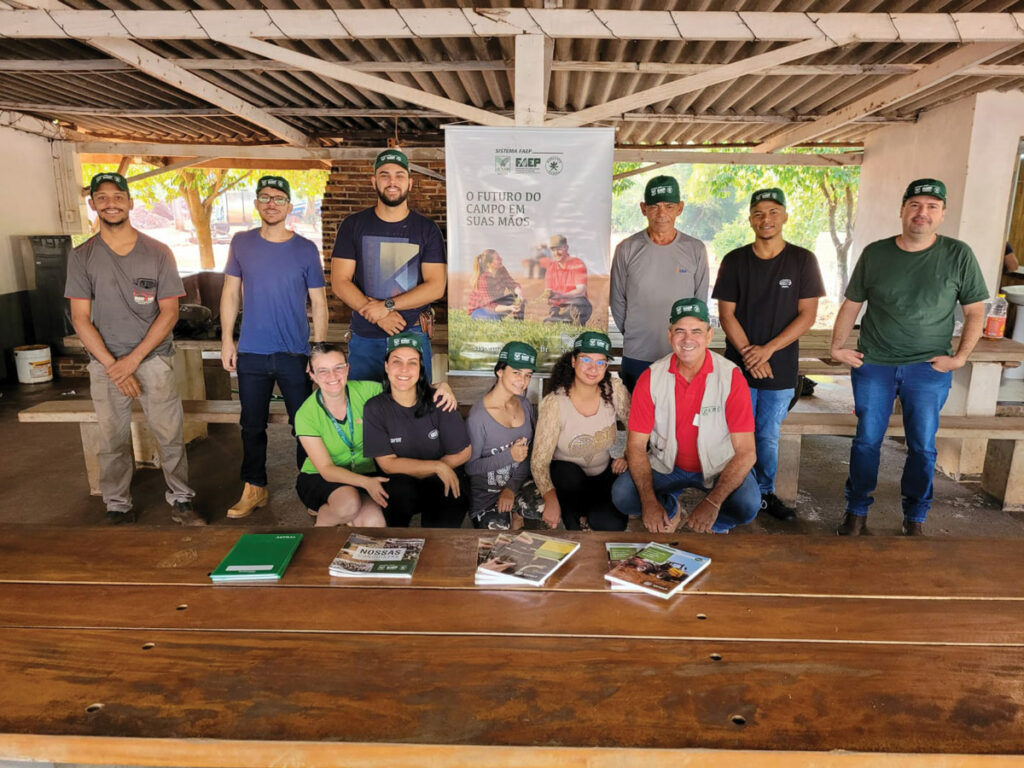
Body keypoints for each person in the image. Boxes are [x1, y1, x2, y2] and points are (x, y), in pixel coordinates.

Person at [831, 178, 989, 536]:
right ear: (902, 210)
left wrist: (960, 357)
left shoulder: (958, 254)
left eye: (932, 207)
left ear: (943, 214)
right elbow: (852, 303)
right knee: (867, 441)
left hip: (928, 368)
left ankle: (915, 517)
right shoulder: (876, 253)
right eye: (916, 205)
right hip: (876, 364)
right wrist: (836, 347)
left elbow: (975, 311)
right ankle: (856, 512)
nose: (923, 213)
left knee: (922, 446)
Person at [65, 172, 200, 525]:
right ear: (93, 203)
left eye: (118, 196)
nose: (111, 203)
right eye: (103, 197)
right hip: (104, 363)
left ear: (130, 202)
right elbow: (80, 319)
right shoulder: (82, 256)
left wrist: (132, 361)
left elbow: (169, 312)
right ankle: (117, 504)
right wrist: (114, 366)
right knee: (111, 438)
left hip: (154, 360)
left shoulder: (158, 252)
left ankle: (182, 500)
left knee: (169, 434)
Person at [712, 188, 825, 521]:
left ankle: (763, 493)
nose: (767, 219)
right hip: (739, 368)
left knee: (767, 435)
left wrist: (767, 351)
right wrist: (750, 355)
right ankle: (735, 491)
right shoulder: (735, 260)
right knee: (736, 433)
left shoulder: (803, 260)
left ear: (785, 216)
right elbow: (726, 314)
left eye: (774, 211)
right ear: (750, 219)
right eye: (759, 213)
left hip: (781, 366)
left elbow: (807, 315)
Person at [220, 175, 329, 520]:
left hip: (294, 353)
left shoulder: (305, 249)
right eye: (265, 197)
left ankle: (310, 485)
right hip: (251, 350)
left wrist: (319, 349)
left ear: (288, 206)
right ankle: (255, 486)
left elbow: (319, 302)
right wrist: (227, 340)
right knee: (251, 424)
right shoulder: (241, 243)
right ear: (256, 203)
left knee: (305, 424)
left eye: (279, 198)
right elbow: (230, 293)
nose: (271, 203)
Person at [611, 298, 760, 535]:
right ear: (670, 335)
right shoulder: (652, 377)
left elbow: (746, 451)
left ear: (709, 336)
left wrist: (712, 503)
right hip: (667, 465)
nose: (687, 339)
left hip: (717, 466)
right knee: (622, 495)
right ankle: (669, 509)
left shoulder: (731, 377)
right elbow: (636, 445)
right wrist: (649, 503)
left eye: (696, 331)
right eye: (680, 331)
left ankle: (717, 522)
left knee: (747, 504)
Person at [331, 148, 446, 383]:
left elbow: (436, 287)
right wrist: (378, 315)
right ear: (374, 181)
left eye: (399, 175)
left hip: (412, 332)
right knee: (363, 408)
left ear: (410, 183)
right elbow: (339, 281)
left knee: (414, 409)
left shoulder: (427, 229)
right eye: (384, 175)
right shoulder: (353, 225)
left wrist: (387, 306)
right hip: (365, 335)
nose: (392, 181)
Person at [610, 174, 709, 392]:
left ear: (680, 208)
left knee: (679, 422)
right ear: (643, 208)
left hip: (682, 355)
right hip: (637, 354)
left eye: (669, 206)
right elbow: (617, 301)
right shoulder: (627, 248)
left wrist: (687, 341)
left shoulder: (695, 249)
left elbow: (700, 303)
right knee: (636, 421)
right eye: (654, 206)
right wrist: (636, 332)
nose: (661, 213)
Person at [362, 333, 471, 527]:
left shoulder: (440, 399)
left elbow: (463, 451)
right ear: (386, 366)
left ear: (420, 367)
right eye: (397, 361)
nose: (404, 369)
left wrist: (440, 469)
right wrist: (436, 466)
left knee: (442, 529)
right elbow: (388, 464)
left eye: (412, 362)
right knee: (396, 494)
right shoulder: (375, 407)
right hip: (402, 482)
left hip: (442, 478)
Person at [531, 331, 630, 531]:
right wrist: (549, 498)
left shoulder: (614, 389)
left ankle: (591, 515)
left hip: (603, 473)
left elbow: (637, 426)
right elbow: (539, 460)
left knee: (611, 525)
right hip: (568, 482)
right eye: (586, 359)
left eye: (601, 362)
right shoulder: (555, 403)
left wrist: (628, 454)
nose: (593, 368)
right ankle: (576, 517)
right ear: (574, 361)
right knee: (567, 474)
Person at [294, 343, 388, 528]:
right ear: (312, 375)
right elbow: (327, 469)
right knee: (348, 505)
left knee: (374, 522)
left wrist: (441, 388)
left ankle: (349, 524)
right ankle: (322, 528)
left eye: (339, 368)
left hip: (365, 472)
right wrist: (366, 483)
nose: (333, 376)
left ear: (348, 369)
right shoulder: (305, 414)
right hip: (321, 477)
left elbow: (408, 393)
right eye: (323, 371)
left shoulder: (369, 391)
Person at [466, 342, 544, 530]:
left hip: (517, 483)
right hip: (488, 491)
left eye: (528, 375)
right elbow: (470, 467)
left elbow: (526, 455)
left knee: (547, 507)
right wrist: (509, 456)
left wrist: (511, 488)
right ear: (500, 371)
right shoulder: (478, 416)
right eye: (516, 373)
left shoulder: (525, 406)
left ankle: (516, 512)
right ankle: (510, 516)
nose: (523, 381)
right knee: (497, 535)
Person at [543, 234, 592, 325]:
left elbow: (581, 291)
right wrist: (549, 295)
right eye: (553, 250)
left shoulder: (577, 264)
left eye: (559, 249)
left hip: (576, 304)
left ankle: (564, 320)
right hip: (558, 307)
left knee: (577, 306)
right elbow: (549, 292)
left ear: (566, 248)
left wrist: (561, 295)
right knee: (549, 322)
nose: (556, 253)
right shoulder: (550, 268)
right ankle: (562, 320)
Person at [467, 249, 524, 321]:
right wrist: (509, 307)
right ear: (489, 264)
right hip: (480, 308)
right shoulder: (483, 279)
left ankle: (518, 323)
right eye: (497, 259)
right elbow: (489, 305)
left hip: (495, 303)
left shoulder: (502, 270)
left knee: (517, 298)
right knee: (495, 319)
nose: (501, 259)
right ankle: (493, 317)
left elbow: (512, 284)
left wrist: (519, 293)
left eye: (500, 257)